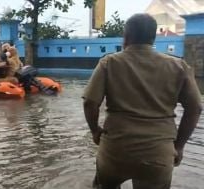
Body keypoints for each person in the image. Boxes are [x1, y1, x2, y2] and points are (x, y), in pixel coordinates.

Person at [83, 13, 202, 189]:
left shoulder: (109, 63)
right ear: (153, 37)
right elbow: (195, 108)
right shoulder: (179, 66)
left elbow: (90, 103)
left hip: (115, 150)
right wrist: (179, 145)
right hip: (158, 153)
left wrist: (95, 131)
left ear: (126, 37)